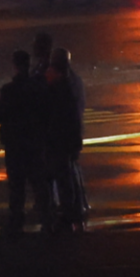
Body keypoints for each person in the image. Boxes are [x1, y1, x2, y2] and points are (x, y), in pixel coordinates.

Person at [0, 49, 43, 233]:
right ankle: (46, 215)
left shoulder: (8, 90)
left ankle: (16, 218)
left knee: (16, 184)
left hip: (14, 143)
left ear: (14, 66)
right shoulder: (37, 88)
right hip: (34, 141)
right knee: (37, 181)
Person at [44, 47, 85, 231]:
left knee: (64, 178)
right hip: (68, 139)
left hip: (62, 140)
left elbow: (60, 117)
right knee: (69, 176)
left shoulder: (61, 90)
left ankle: (68, 213)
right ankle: (74, 210)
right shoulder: (72, 83)